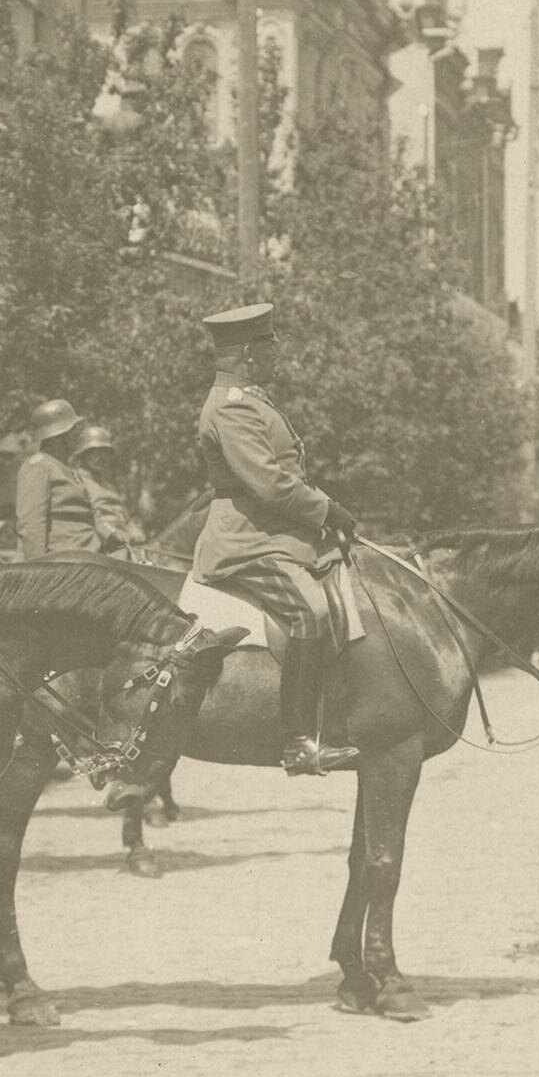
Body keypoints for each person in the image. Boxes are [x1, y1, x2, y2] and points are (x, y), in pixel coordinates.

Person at [192, 302, 360, 777]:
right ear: (248, 353)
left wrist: (325, 515)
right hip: (246, 542)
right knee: (312, 611)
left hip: (272, 532)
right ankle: (299, 742)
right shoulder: (231, 408)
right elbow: (267, 482)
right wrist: (326, 509)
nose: (276, 355)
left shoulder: (251, 399)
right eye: (268, 347)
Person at [15, 398, 112, 560]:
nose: (79, 435)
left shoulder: (68, 469)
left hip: (91, 554)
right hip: (66, 562)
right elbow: (31, 526)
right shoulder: (38, 467)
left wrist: (111, 535)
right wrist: (39, 571)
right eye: (73, 430)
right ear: (59, 436)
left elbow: (91, 513)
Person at [72, 424, 141, 550]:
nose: (102, 457)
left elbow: (126, 518)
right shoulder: (76, 481)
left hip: (125, 544)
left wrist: (133, 530)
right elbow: (90, 517)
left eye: (105, 452)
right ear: (84, 455)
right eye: (95, 452)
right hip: (102, 546)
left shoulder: (108, 485)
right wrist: (113, 534)